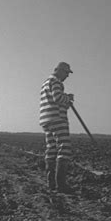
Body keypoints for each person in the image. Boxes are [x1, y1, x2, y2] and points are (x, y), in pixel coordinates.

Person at [40, 62, 75, 193]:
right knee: (64, 148)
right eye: (66, 73)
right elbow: (58, 98)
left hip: (46, 120)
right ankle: (61, 184)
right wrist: (68, 97)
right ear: (59, 70)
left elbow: (53, 101)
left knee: (51, 149)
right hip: (57, 119)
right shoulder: (56, 82)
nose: (67, 76)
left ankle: (51, 183)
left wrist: (65, 103)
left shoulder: (45, 82)